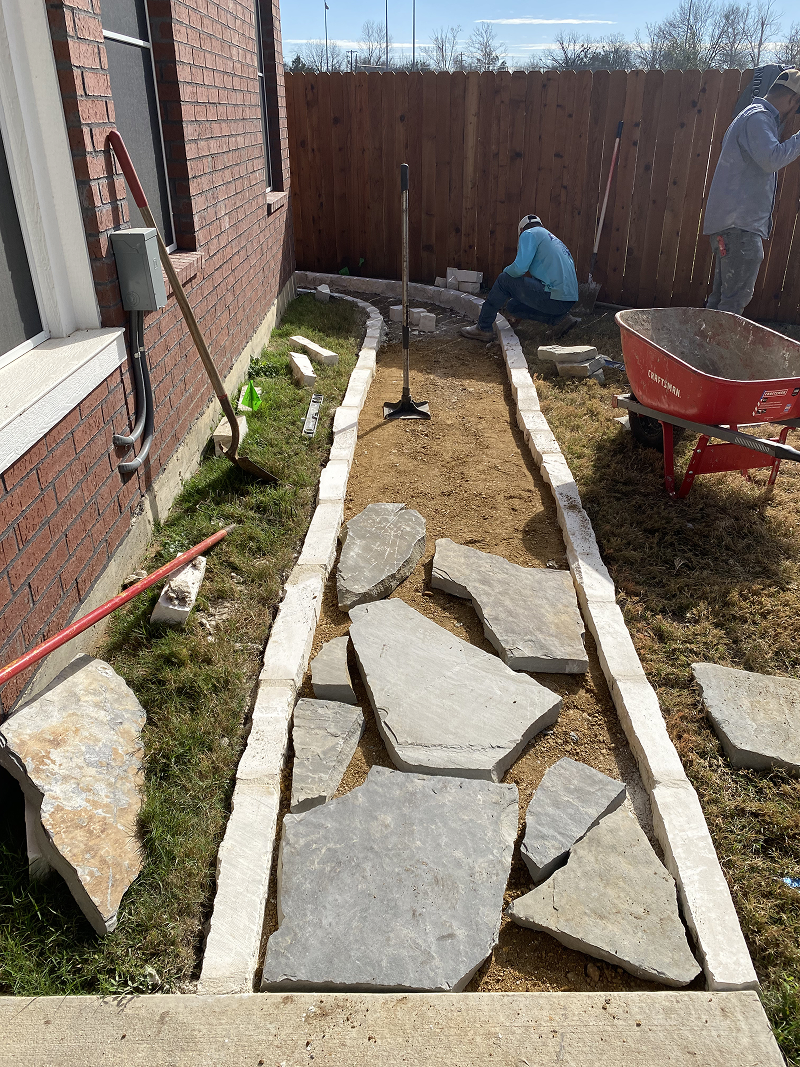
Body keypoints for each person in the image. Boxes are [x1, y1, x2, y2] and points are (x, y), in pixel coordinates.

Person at [704, 68, 800, 316]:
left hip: (731, 226)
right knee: (732, 303)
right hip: (740, 228)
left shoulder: (749, 115)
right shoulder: (759, 118)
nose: (791, 117)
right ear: (792, 99)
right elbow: (771, 159)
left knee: (720, 302)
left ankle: (700, 352)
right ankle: (716, 354)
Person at [461, 214, 579, 342]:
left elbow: (519, 268)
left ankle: (483, 328)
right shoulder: (552, 239)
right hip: (566, 301)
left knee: (503, 279)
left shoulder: (529, 234)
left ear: (521, 230)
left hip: (554, 295)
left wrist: (504, 274)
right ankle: (561, 320)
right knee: (513, 306)